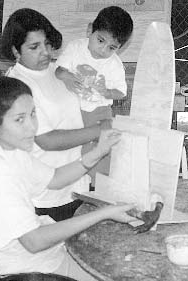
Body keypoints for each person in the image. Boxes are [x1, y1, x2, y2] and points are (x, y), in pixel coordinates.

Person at [0, 76, 136, 281]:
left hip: (35, 260)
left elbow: (55, 178)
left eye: (33, 114)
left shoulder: (7, 150)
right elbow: (34, 241)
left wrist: (99, 151)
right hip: (27, 271)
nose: (32, 127)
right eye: (19, 119)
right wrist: (105, 213)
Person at [0, 8, 113, 221]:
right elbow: (46, 140)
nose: (45, 53)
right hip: (48, 194)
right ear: (16, 51)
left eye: (47, 44)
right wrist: (99, 131)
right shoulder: (18, 85)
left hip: (78, 181)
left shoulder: (57, 69)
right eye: (34, 47)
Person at [55, 6, 133, 186]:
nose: (103, 49)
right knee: (73, 150)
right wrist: (68, 76)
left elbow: (121, 92)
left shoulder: (114, 64)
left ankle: (97, 186)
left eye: (112, 47)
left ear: (119, 48)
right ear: (90, 30)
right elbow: (59, 71)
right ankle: (75, 183)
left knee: (101, 149)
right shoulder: (76, 47)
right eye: (100, 40)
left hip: (99, 112)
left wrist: (105, 91)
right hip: (72, 110)